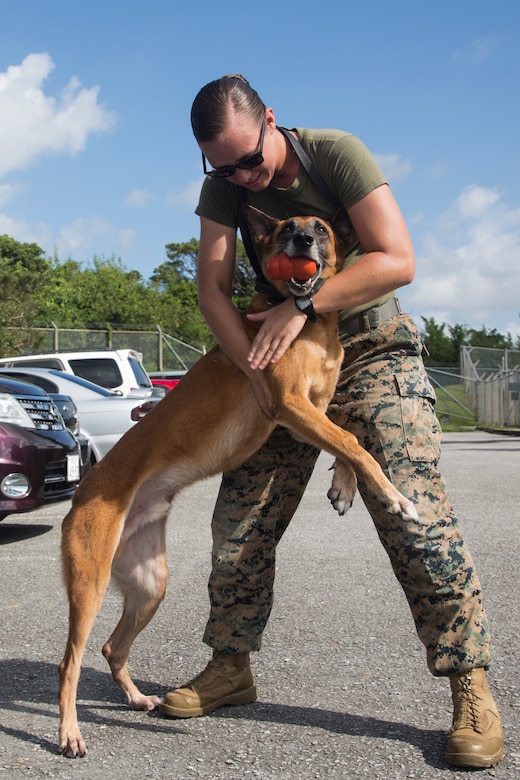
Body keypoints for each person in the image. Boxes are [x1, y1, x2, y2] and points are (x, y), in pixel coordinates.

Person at [159, 74, 504, 769]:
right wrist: (249, 365)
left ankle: (470, 683)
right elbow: (212, 289)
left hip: (368, 345)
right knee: (241, 516)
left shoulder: (335, 154)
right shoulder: (226, 187)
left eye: (248, 162)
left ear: (273, 124)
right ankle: (231, 665)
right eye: (220, 168)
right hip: (275, 356)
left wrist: (303, 304)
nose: (239, 178)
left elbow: (397, 259)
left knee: (411, 504)